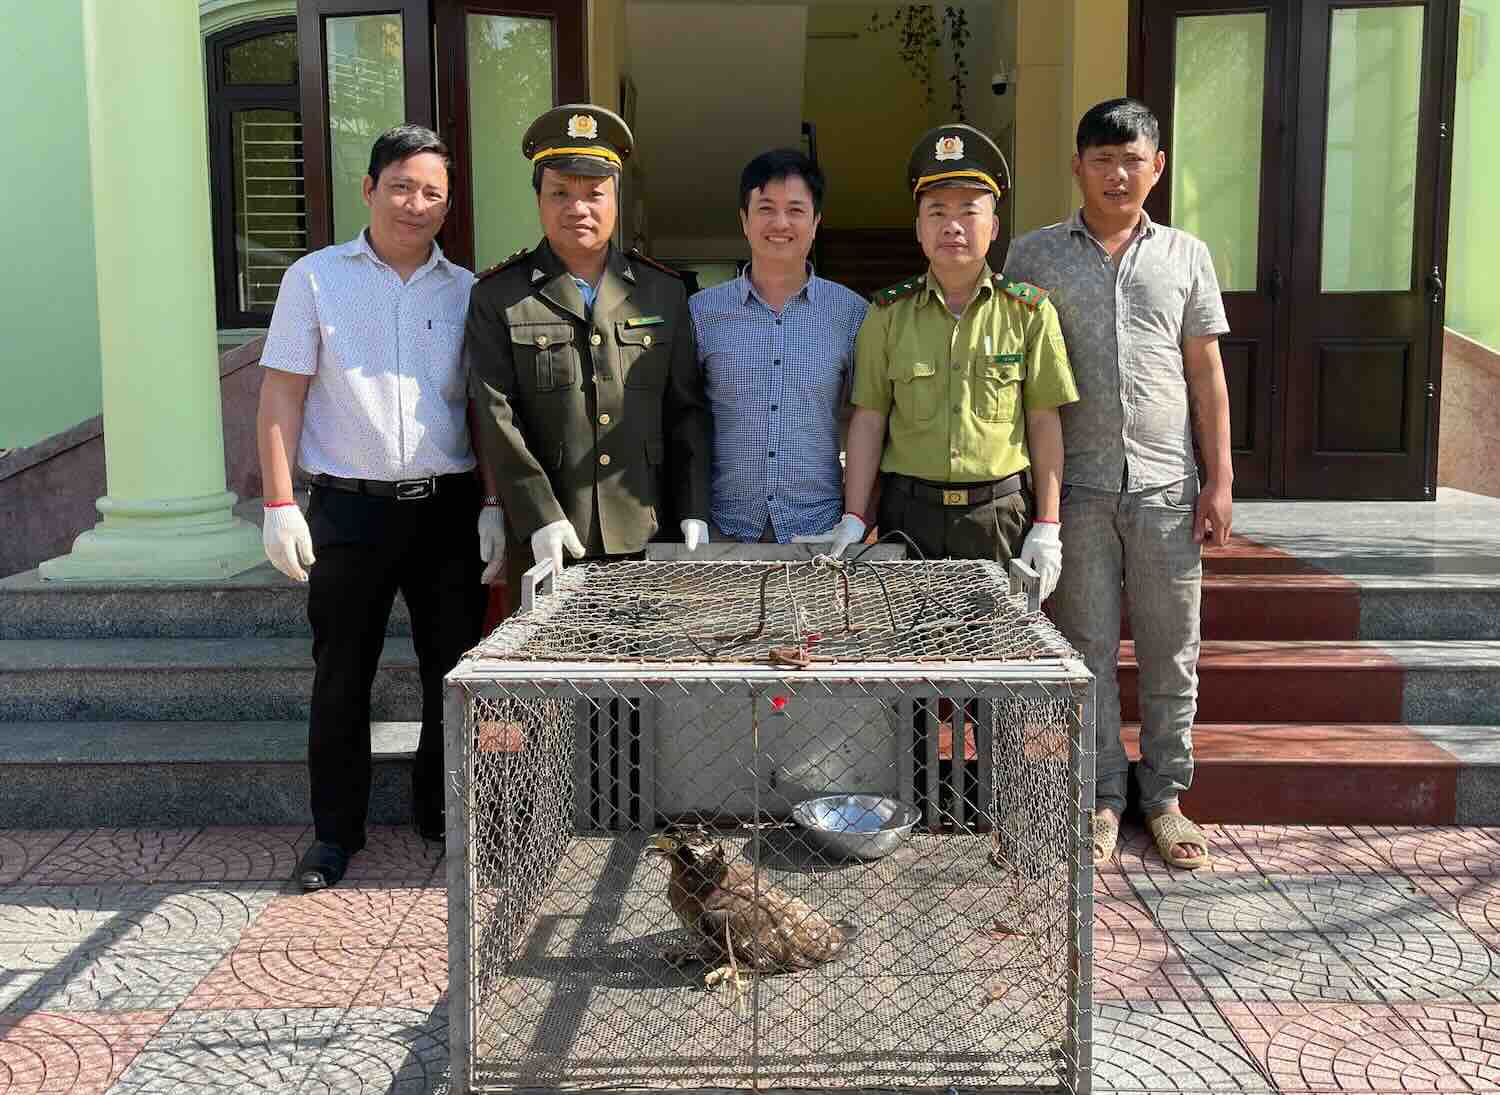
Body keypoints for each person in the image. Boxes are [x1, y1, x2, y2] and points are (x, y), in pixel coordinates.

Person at [256, 125, 499, 891]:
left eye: (432, 191)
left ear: (447, 204)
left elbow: (486, 411)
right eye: (401, 185)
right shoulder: (316, 279)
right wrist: (278, 501)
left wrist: (492, 501)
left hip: (446, 512)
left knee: (451, 673)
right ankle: (335, 835)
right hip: (348, 514)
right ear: (368, 189)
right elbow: (281, 391)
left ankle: (443, 812)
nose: (415, 203)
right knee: (341, 677)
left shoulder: (468, 292)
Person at [1003, 98, 1233, 870]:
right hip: (1080, 491)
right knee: (1089, 648)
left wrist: (1221, 478)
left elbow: (1206, 374)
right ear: (1077, 165)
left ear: (1157, 168)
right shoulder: (1034, 256)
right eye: (1102, 158)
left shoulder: (1187, 256)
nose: (1117, 172)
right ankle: (1102, 795)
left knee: (1172, 649)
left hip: (1169, 485)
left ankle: (1165, 796)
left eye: (1132, 159)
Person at [824, 124, 1076, 596]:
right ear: (919, 229)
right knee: (908, 655)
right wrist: (856, 517)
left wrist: (1048, 524)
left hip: (998, 517)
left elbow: (1044, 422)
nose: (952, 225)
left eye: (969, 211)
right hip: (909, 517)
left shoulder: (1029, 312)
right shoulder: (887, 316)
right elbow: (869, 420)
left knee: (996, 657)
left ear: (994, 227)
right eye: (936, 211)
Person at [466, 105, 711, 581]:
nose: (577, 208)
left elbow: (686, 409)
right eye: (560, 193)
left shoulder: (665, 291)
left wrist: (693, 505)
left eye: (594, 194)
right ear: (538, 199)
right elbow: (497, 415)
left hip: (648, 527)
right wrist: (538, 513)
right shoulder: (498, 295)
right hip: (546, 538)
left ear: (617, 200)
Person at [689, 149, 868, 543]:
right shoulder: (701, 313)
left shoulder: (853, 315)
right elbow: (685, 418)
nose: (780, 223)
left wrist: (860, 517)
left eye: (796, 210)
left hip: (821, 532)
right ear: (744, 219)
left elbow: (867, 419)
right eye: (766, 208)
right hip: (721, 530)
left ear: (816, 221)